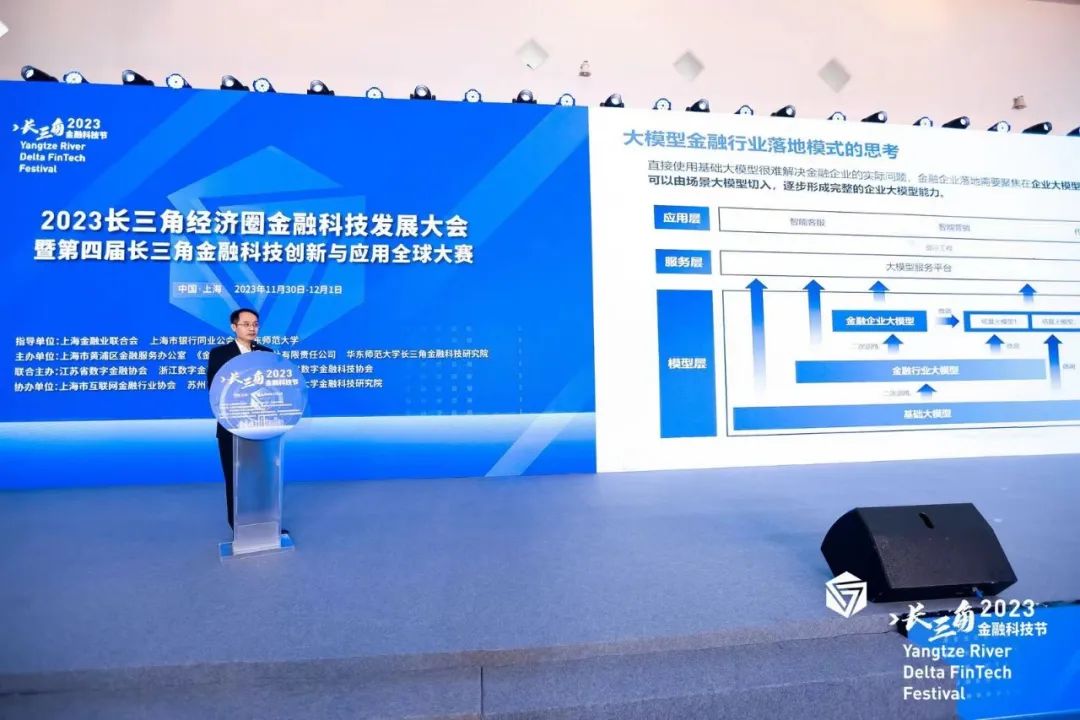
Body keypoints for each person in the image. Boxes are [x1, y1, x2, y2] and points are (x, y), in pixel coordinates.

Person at [206, 308, 273, 529]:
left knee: (261, 476)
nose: (252, 328)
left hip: (260, 427)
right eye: (246, 324)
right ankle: (238, 524)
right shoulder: (219, 354)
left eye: (255, 324)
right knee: (234, 477)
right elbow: (214, 389)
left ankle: (265, 520)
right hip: (231, 426)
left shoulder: (267, 353)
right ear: (234, 327)